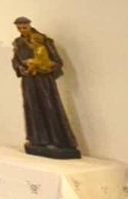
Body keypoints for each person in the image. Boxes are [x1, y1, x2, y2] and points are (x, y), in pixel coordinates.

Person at [10, 17, 80, 160]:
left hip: (44, 80)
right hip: (29, 80)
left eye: (24, 27)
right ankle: (38, 139)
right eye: (19, 28)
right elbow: (16, 61)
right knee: (32, 107)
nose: (22, 30)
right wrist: (22, 68)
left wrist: (44, 66)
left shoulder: (43, 41)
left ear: (29, 26)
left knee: (50, 106)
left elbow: (57, 61)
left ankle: (58, 139)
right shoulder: (18, 43)